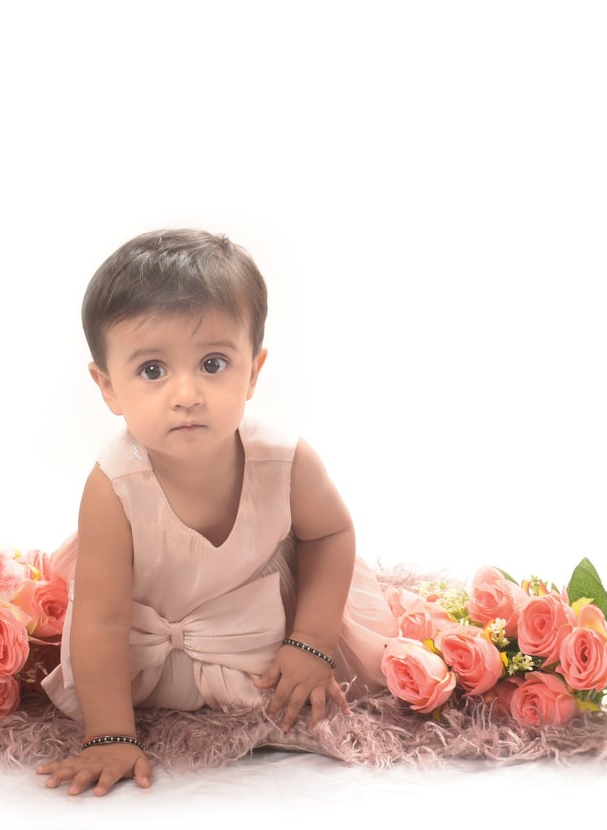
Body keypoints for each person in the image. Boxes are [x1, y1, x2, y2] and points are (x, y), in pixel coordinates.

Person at [37, 229, 398, 796]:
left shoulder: (284, 459)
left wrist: (311, 641)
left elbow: (330, 533)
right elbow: (102, 618)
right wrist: (108, 733)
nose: (187, 393)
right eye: (152, 370)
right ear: (108, 386)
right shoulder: (115, 484)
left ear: (253, 371)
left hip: (259, 637)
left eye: (212, 363)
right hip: (143, 645)